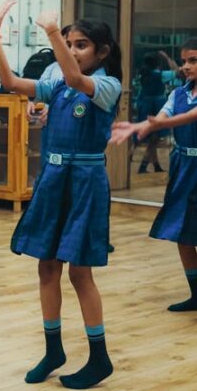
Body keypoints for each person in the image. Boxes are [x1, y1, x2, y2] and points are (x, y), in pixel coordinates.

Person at [0, 0, 120, 388]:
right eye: (69, 43)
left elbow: (78, 80)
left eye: (81, 45)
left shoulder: (107, 85)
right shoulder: (58, 84)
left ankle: (99, 357)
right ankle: (53, 350)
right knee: (46, 266)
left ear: (102, 52)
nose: (73, 50)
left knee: (80, 272)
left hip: (85, 183)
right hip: (53, 179)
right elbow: (12, 84)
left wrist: (51, 31)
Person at [111, 38, 197, 313]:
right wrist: (141, 125)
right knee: (182, 231)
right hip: (183, 166)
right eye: (184, 61)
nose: (186, 66)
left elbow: (191, 116)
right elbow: (162, 116)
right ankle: (196, 293)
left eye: (193, 60)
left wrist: (159, 124)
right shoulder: (179, 93)